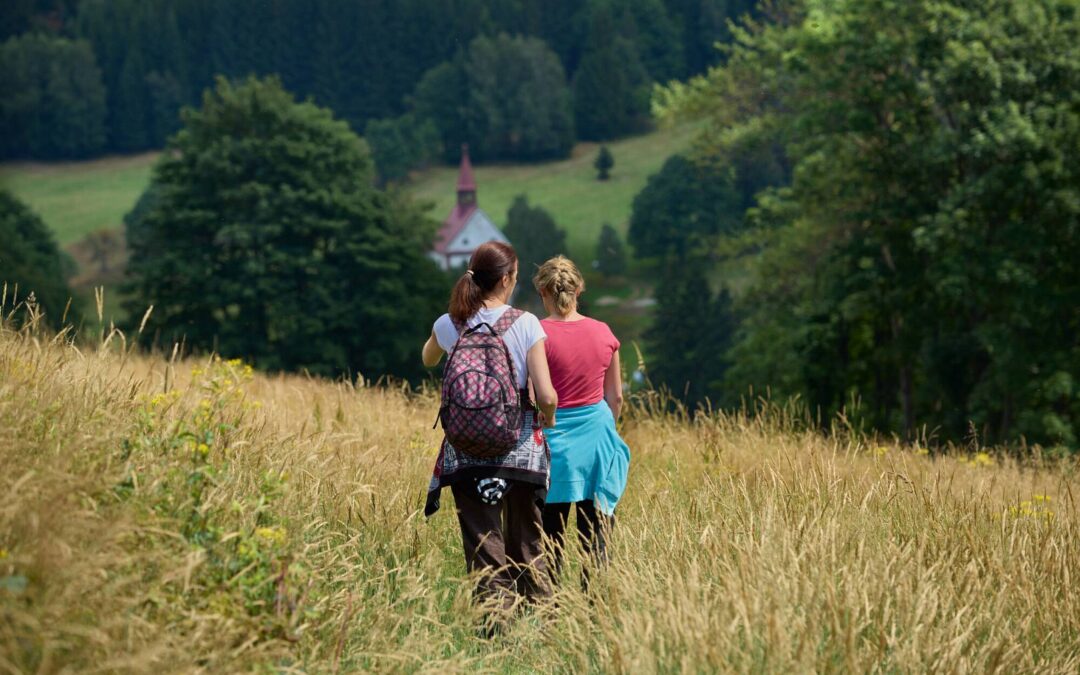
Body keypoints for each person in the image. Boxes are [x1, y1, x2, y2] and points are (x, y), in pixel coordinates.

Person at [422, 241, 559, 624]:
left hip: (465, 453)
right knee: (528, 543)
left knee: (484, 547)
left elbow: (428, 358)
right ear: (506, 279)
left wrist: (444, 336)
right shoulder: (526, 323)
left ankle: (497, 635)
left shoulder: (449, 323)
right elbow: (545, 393)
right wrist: (548, 417)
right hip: (519, 452)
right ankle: (545, 631)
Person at [532, 255, 630, 586]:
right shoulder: (603, 332)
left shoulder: (536, 335)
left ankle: (552, 609)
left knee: (550, 537)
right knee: (597, 536)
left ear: (542, 291)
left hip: (554, 442)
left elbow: (535, 395)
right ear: (579, 289)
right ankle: (594, 611)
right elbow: (615, 397)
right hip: (598, 441)